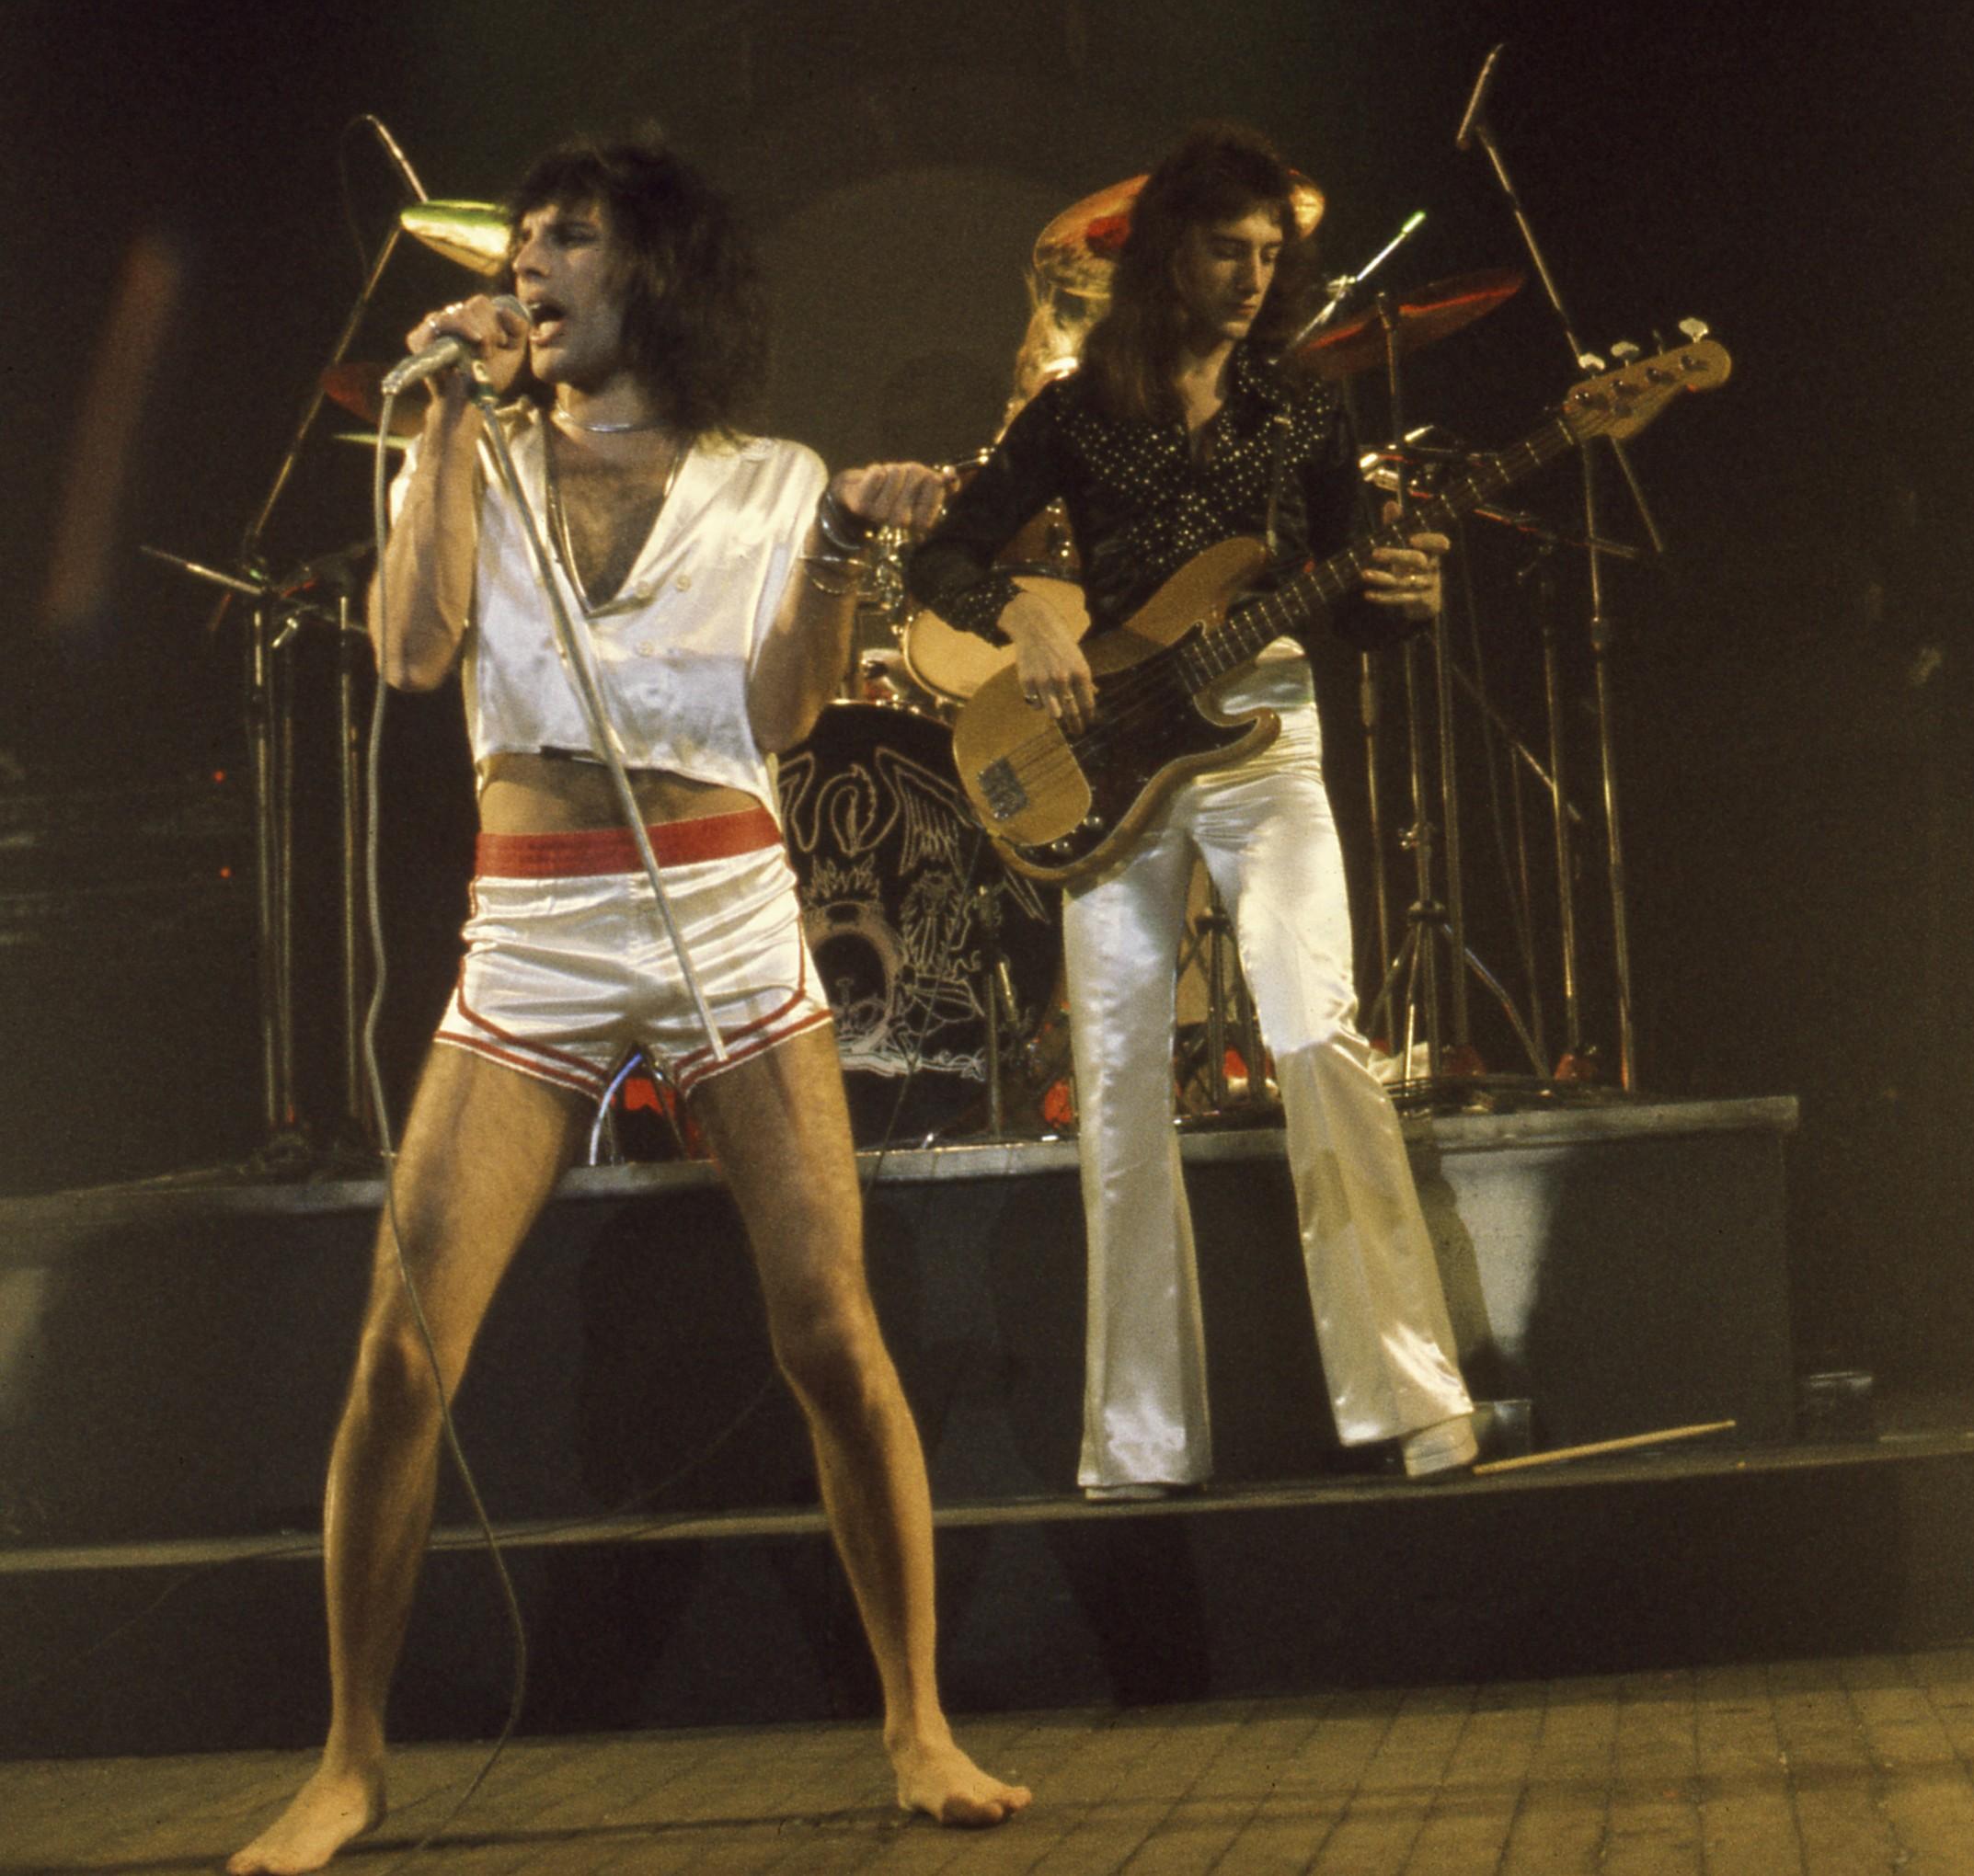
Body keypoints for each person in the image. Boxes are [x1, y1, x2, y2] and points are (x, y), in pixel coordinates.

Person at [229, 139, 1027, 1875]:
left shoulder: (770, 478)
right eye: (519, 237)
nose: (528, 260)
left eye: (569, 235)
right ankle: (350, 1757)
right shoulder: (474, 450)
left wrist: (842, 550)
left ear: (652, 270)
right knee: (403, 1349)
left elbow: (788, 716)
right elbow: (412, 655)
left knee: (829, 1333)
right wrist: (444, 425)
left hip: (726, 907)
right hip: (531, 922)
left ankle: (918, 1720)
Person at [907, 123, 1482, 1500]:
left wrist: (1403, 603)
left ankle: (1412, 1395)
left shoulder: (1304, 408)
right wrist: (1025, 614)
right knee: (1115, 1084)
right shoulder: (1076, 413)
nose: (1254, 275)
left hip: (1264, 730)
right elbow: (940, 558)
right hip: (1111, 749)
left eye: (1271, 254)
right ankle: (1140, 1440)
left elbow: (1347, 598)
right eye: (1229, 249)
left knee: (1319, 1036)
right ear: (1171, 250)